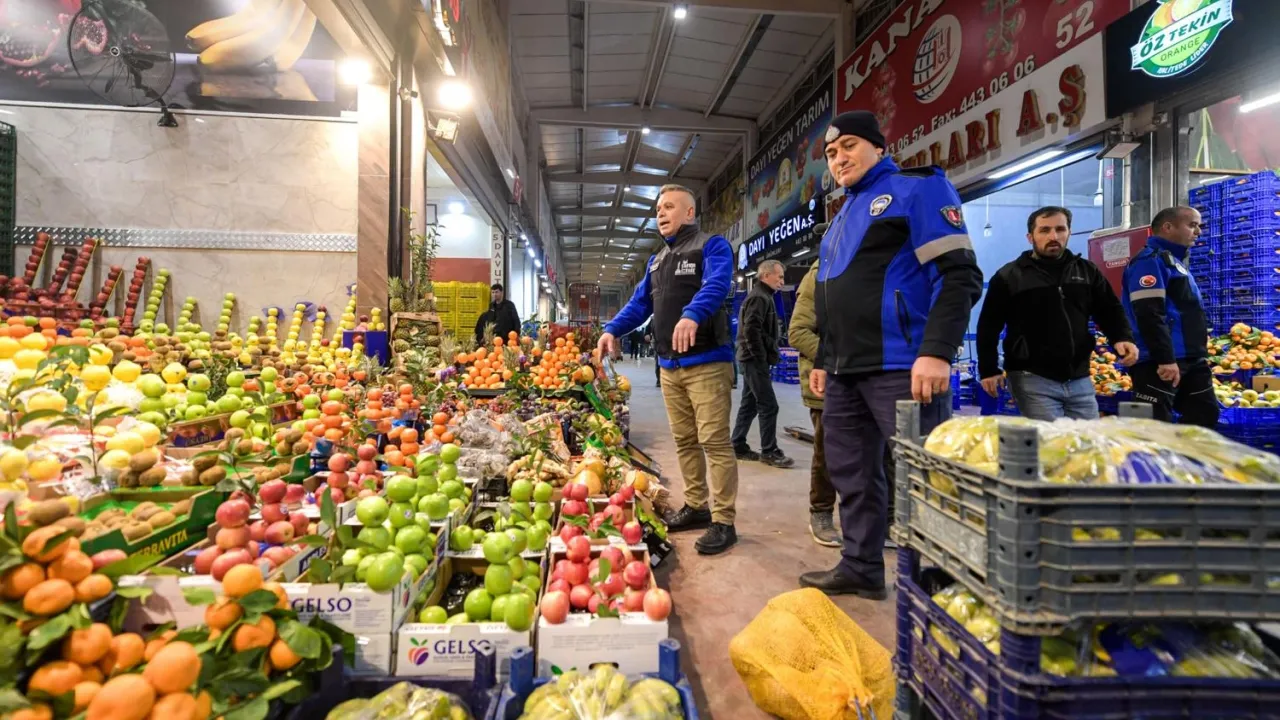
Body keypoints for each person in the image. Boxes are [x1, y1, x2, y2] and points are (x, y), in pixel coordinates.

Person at [802, 111, 983, 598]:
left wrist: (937, 351)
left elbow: (960, 275)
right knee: (852, 475)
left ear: (880, 148)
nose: (839, 159)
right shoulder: (840, 217)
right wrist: (825, 359)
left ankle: (945, 585)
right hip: (845, 371)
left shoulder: (917, 190)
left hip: (904, 366)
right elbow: (834, 300)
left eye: (849, 146)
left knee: (927, 476)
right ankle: (861, 566)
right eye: (831, 154)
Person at [598, 184, 740, 555]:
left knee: (714, 442)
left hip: (707, 362)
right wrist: (612, 328)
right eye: (658, 208)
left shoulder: (711, 246)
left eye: (669, 207)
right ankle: (697, 505)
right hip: (669, 366)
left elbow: (718, 284)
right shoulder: (657, 261)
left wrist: (692, 314)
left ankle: (724, 521)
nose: (661, 213)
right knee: (685, 440)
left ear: (689, 212)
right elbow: (639, 304)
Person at [977, 207, 1139, 420]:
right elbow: (989, 326)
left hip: (1080, 378)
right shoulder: (1009, 277)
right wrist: (988, 370)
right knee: (1050, 438)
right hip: (1031, 377)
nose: (1053, 236)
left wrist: (1122, 337)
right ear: (1030, 237)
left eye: (1060, 229)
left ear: (1069, 233)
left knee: (1086, 437)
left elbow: (1109, 309)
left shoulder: (1087, 271)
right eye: (1044, 230)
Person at [1122, 206, 1218, 428]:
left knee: (1205, 415)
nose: (1198, 232)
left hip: (1190, 358)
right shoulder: (1150, 261)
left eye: (1199, 226)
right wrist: (1165, 359)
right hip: (1159, 362)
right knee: (1153, 428)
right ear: (1167, 227)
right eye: (1192, 225)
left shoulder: (1175, 262)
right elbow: (1149, 313)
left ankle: (1185, 453)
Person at [787, 258, 839, 546]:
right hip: (827, 382)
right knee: (826, 453)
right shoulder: (820, 273)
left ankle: (885, 517)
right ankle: (821, 511)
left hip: (869, 378)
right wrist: (838, 359)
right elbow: (798, 332)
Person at [731, 259, 794, 467]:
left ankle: (737, 444)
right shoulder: (759, 297)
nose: (782, 281)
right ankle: (769, 451)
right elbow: (751, 330)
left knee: (749, 405)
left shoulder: (763, 296)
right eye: (779, 277)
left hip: (752, 359)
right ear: (766, 276)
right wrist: (760, 358)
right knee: (769, 405)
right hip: (753, 361)